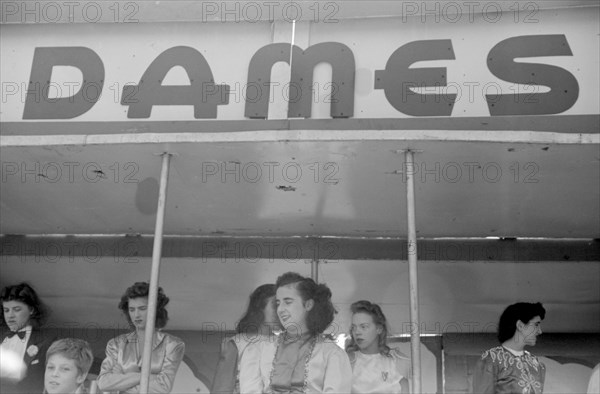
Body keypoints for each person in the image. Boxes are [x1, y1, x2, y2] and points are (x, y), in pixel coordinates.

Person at [239, 272, 352, 393]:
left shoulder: (332, 354)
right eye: (277, 303)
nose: (280, 309)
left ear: (308, 305)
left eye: (288, 302)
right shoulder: (258, 350)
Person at [97, 282, 185, 393]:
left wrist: (122, 377)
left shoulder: (173, 344)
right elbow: (103, 383)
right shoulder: (116, 343)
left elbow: (163, 387)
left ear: (156, 310)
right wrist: (149, 377)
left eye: (142, 308)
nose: (136, 315)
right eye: (132, 309)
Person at [211, 284, 281, 394]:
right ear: (260, 306)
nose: (279, 311)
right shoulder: (238, 343)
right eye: (275, 305)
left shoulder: (284, 344)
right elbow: (222, 388)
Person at [473, 302, 546, 394]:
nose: (540, 331)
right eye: (536, 324)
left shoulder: (536, 364)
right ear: (520, 325)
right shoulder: (491, 360)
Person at [1, 282, 54, 394]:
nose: (10, 315)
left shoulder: (46, 341)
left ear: (31, 310)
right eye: (6, 310)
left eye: (16, 309)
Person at [346, 300, 410, 393]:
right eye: (354, 327)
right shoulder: (347, 362)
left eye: (363, 327)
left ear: (379, 329)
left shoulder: (397, 361)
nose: (357, 332)